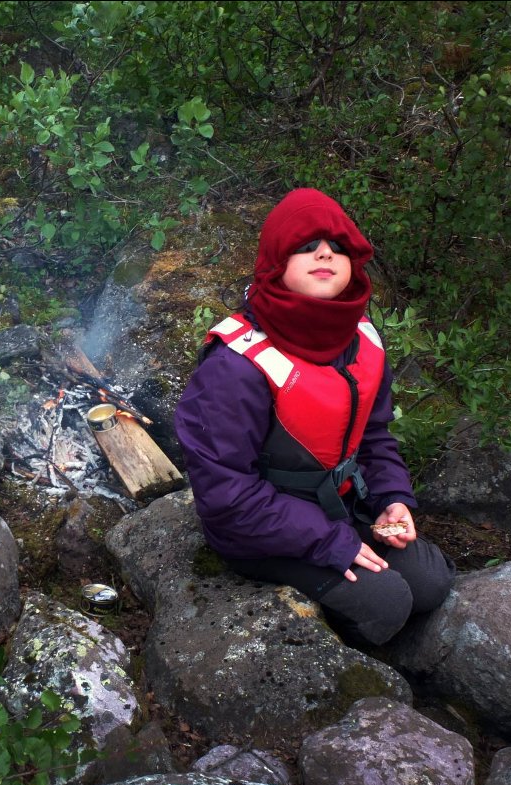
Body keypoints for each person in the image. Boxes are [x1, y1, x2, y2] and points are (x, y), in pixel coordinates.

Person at [173, 188, 453, 646]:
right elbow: (226, 495)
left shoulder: (361, 338)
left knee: (431, 581)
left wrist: (390, 499)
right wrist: (330, 543)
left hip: (341, 507)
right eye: (305, 246)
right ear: (274, 263)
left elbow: (375, 436)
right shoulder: (236, 366)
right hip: (259, 532)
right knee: (388, 602)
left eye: (337, 245)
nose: (325, 252)